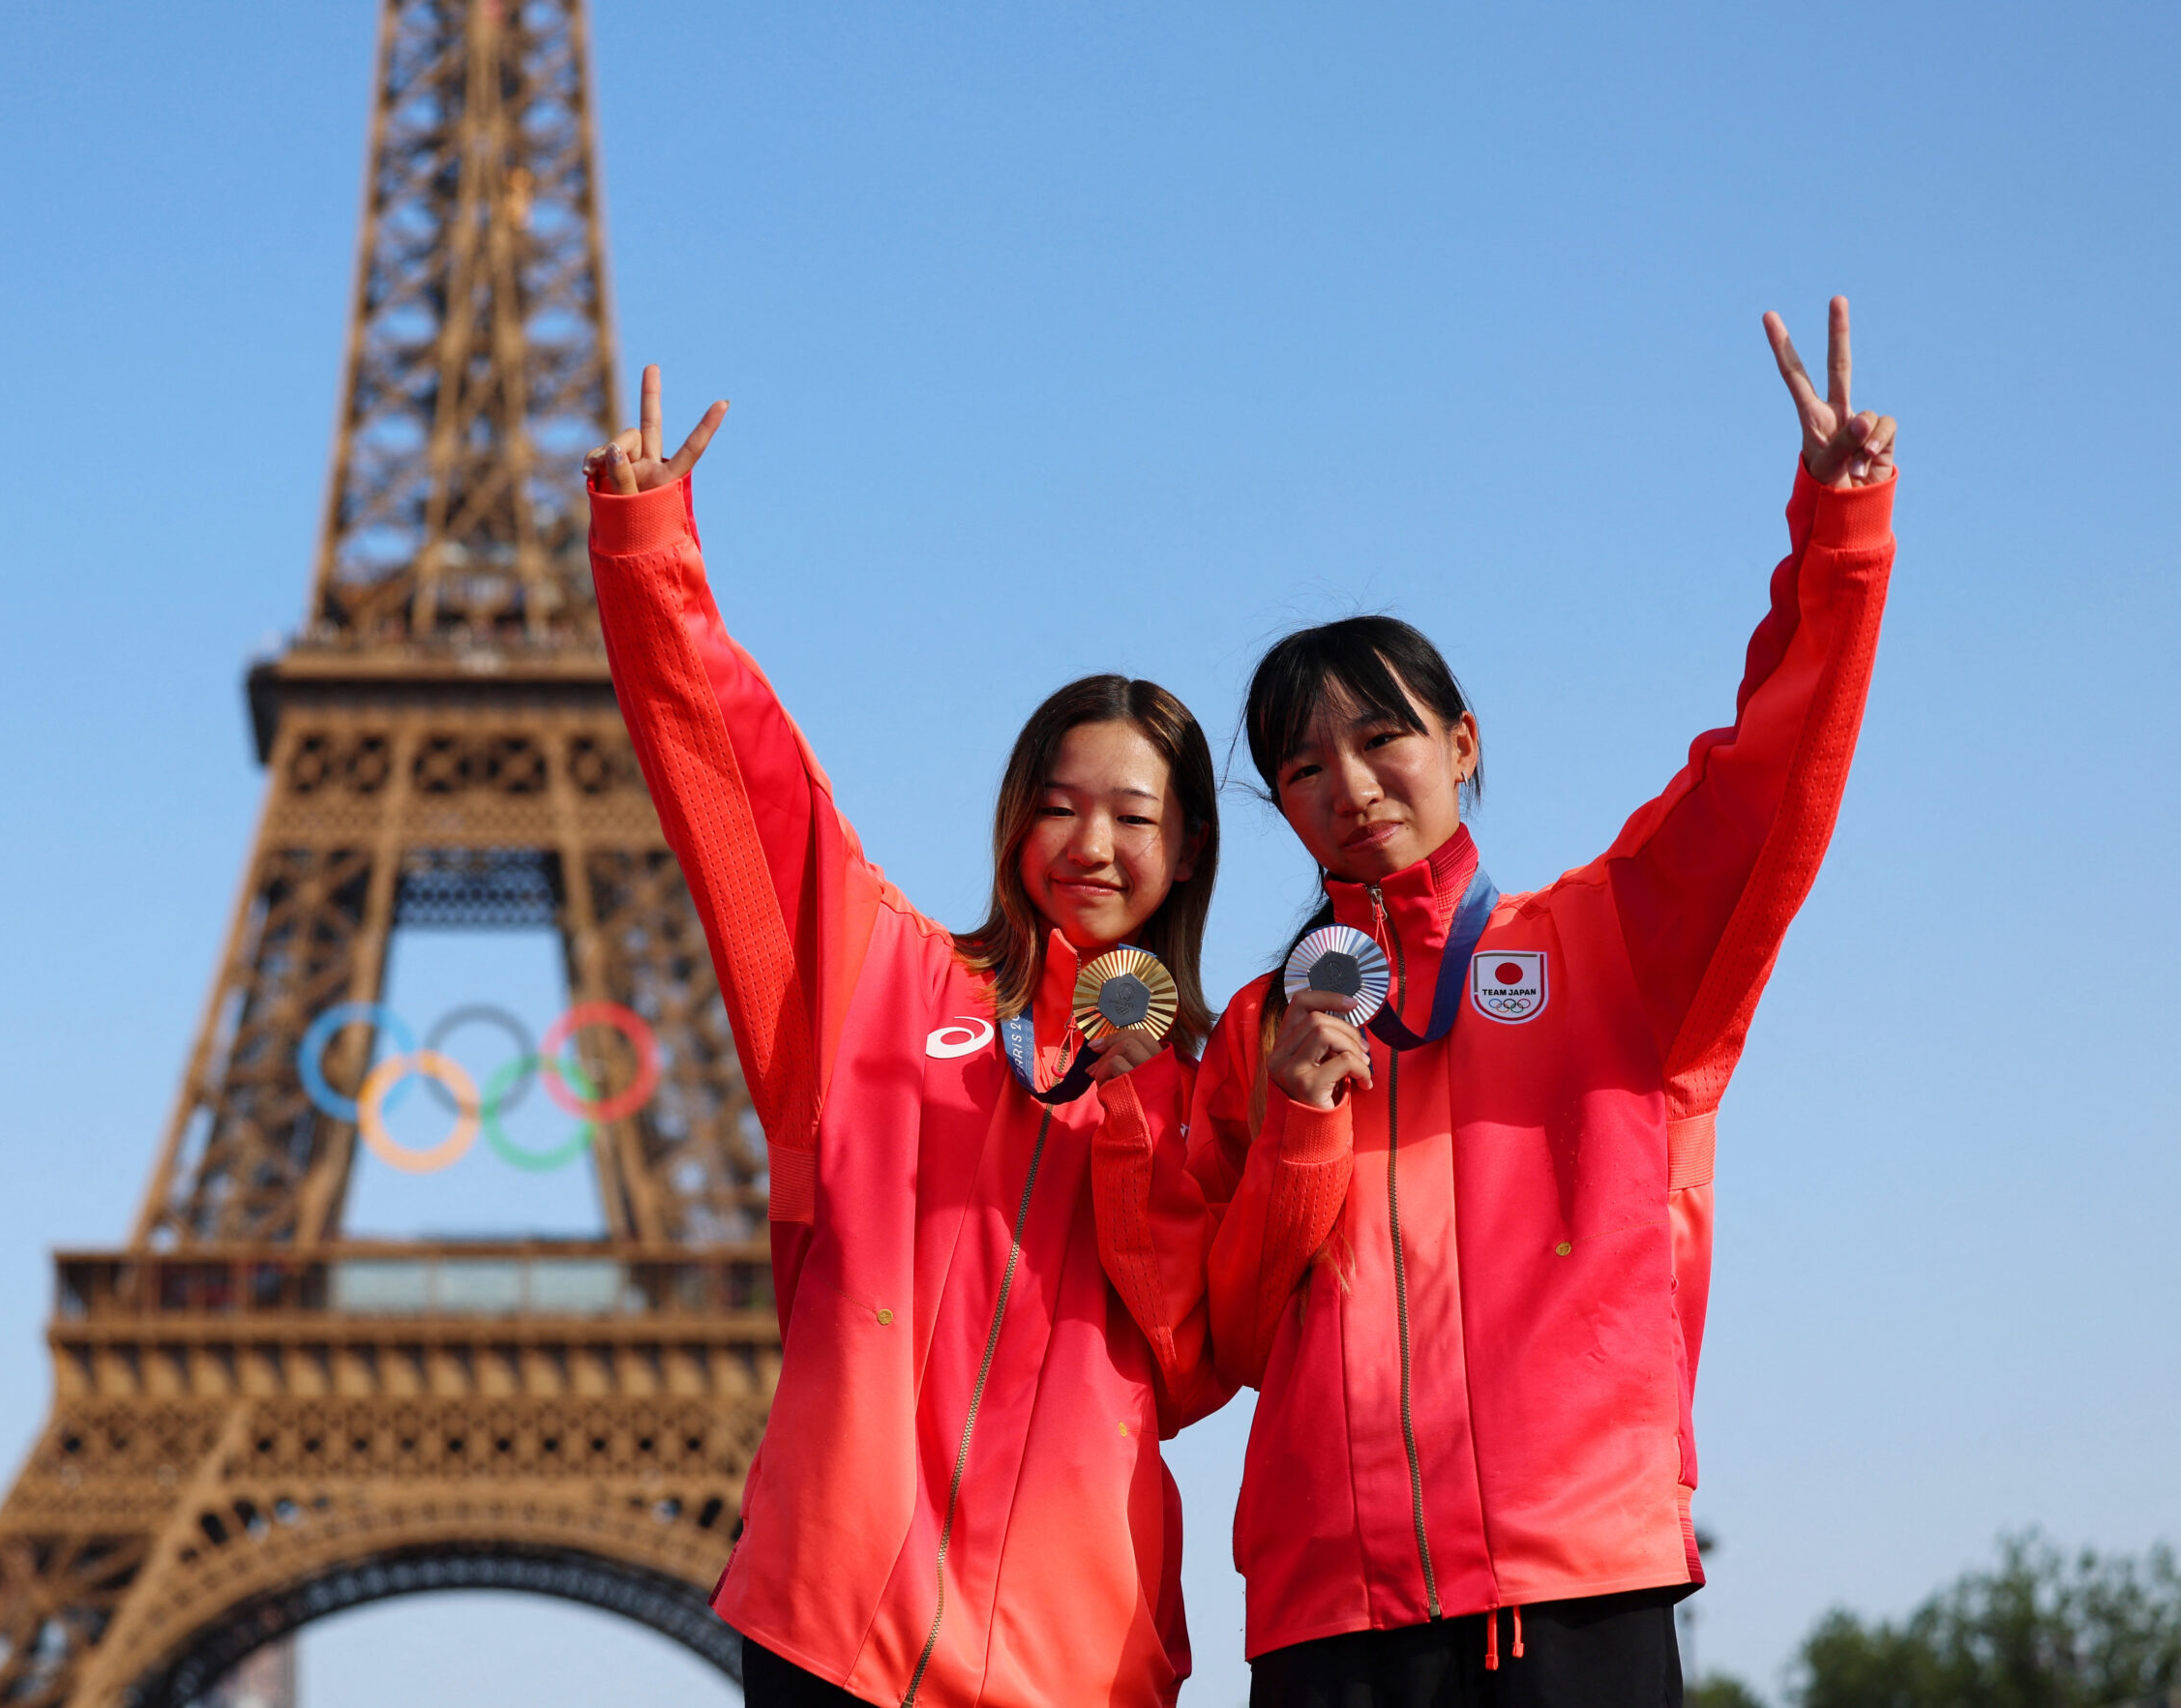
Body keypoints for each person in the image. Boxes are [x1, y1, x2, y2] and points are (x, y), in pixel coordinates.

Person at [1190, 299, 1899, 1707]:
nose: (1352, 782)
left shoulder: (1609, 944)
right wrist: (1297, 1126)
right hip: (1332, 1615)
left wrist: (1838, 535)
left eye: (1384, 737)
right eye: (1305, 765)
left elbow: (1764, 785)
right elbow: (1219, 1336)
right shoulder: (1257, 1029)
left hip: (1575, 1590)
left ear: (1462, 743)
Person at [582, 370, 1233, 1708]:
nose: (1092, 844)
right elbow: (747, 791)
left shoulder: (1219, 1075)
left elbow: (1202, 1352)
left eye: (1132, 814)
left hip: (1078, 1640)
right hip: (840, 1618)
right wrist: (654, 558)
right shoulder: (884, 976)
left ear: (1186, 850)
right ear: (1012, 822)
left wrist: (1120, 1120)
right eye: (1058, 805)